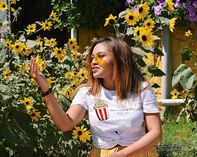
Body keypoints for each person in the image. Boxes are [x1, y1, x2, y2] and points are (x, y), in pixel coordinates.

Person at [30, 36, 162, 157]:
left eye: (101, 56)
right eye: (92, 57)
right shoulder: (87, 92)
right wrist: (46, 90)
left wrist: (123, 154)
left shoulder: (142, 89)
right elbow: (65, 125)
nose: (93, 62)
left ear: (119, 59)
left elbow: (156, 133)